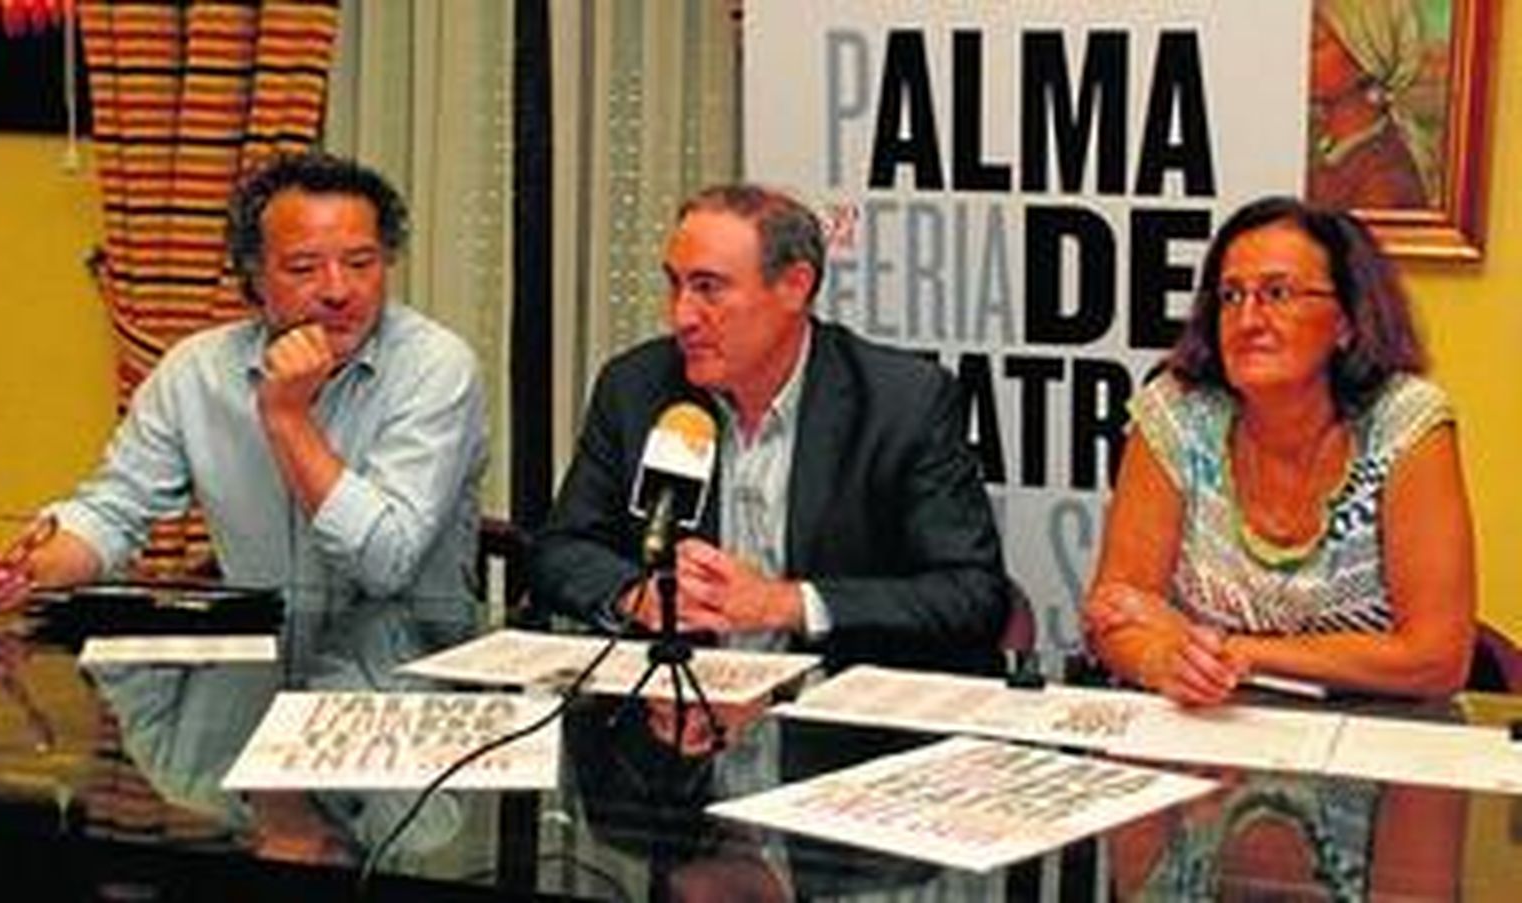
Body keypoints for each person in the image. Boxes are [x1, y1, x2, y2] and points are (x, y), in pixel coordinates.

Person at [0, 152, 488, 862]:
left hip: (407, 673)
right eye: (304, 268)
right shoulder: (196, 370)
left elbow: (385, 562)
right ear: (253, 279)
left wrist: (287, 419)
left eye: (362, 262)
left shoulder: (437, 366)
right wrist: (38, 566)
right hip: (251, 679)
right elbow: (112, 509)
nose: (339, 290)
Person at [532, 183, 1009, 675]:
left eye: (708, 288)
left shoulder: (902, 402)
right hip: (677, 710)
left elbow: (970, 595)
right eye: (675, 285)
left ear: (794, 286)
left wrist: (786, 604)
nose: (682, 316)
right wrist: (641, 597)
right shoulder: (637, 388)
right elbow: (561, 551)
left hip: (832, 722)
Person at [1083, 195, 1474, 707]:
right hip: (1207, 735)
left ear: (1346, 322)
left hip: (1370, 743)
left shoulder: (1405, 423)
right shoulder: (1176, 413)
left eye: (1276, 293)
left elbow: (1437, 658)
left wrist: (1236, 650)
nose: (1247, 320)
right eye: (1230, 296)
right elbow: (1115, 615)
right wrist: (1164, 664)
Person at [1307, 0, 1435, 210]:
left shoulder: (1384, 179)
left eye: (1315, 44)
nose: (1303, 56)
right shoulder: (1333, 147)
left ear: (1365, 60)